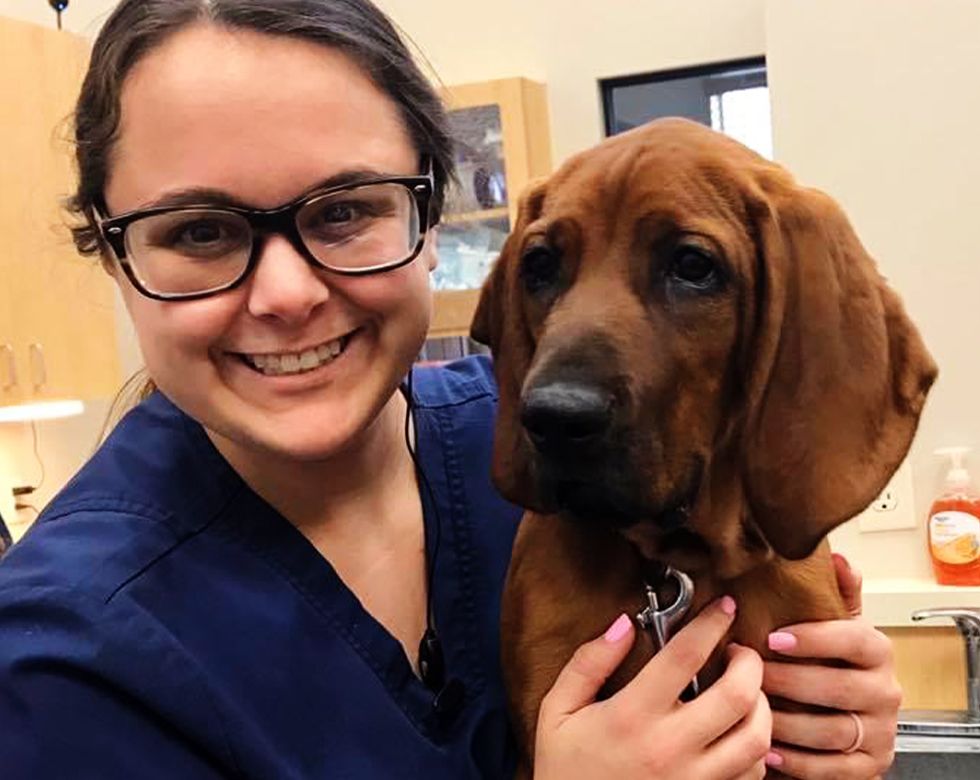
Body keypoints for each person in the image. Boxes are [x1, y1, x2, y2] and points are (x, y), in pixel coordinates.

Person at [0, 1, 900, 777]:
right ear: (114, 258)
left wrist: (835, 725)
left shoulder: (530, 441)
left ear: (431, 221)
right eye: (199, 230)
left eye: (345, 209)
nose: (286, 295)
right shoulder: (63, 660)